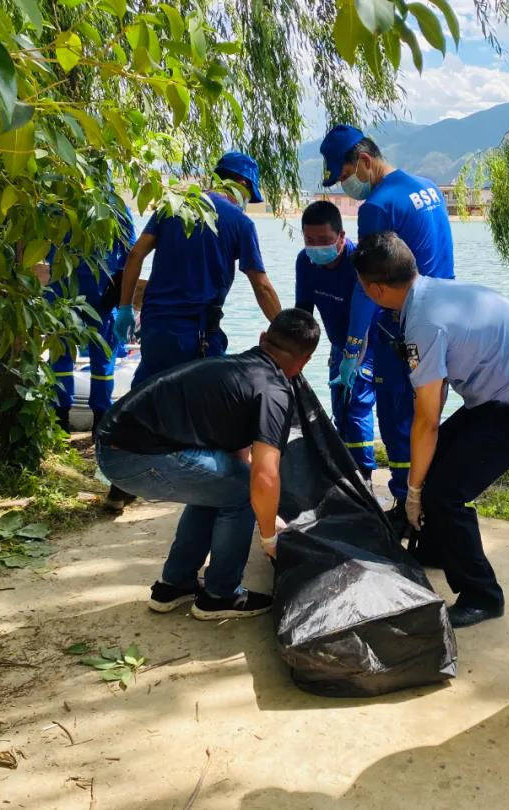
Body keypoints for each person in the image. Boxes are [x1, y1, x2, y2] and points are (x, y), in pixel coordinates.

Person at [352, 232, 509, 628]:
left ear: (375, 289)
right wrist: (418, 477)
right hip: (506, 390)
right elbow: (435, 402)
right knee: (436, 462)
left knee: (446, 493)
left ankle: (482, 594)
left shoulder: (423, 323)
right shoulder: (428, 293)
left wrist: (412, 492)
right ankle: (434, 550)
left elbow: (427, 418)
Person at [95, 309, 320, 619]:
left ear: (262, 339)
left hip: (115, 443)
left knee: (220, 486)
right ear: (304, 362)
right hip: (131, 457)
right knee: (242, 491)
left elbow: (238, 451)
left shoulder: (233, 368)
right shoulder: (275, 391)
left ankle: (174, 584)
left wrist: (270, 515)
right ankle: (220, 594)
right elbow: (264, 475)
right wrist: (270, 536)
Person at [318, 126, 454, 524]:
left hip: (403, 326)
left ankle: (407, 506)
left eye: (344, 176)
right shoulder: (427, 188)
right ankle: (427, 500)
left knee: (398, 418)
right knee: (428, 416)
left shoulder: (377, 207)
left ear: (364, 161)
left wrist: (354, 347)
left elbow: (370, 284)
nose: (347, 186)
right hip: (442, 316)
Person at [113, 151, 282, 387]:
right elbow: (261, 286)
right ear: (242, 184)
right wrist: (285, 333)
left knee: (146, 399)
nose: (247, 203)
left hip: (155, 328)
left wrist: (124, 308)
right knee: (201, 408)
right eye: (249, 195)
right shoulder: (241, 223)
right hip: (198, 335)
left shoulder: (172, 207)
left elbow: (135, 255)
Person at [294, 200, 376, 480]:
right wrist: (295, 354)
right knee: (340, 411)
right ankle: (345, 475)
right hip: (339, 344)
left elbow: (362, 316)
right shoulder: (305, 262)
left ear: (341, 237)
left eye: (324, 240)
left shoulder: (359, 262)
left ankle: (363, 476)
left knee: (356, 407)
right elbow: (303, 310)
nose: (316, 247)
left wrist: (354, 355)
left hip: (369, 342)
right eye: (310, 240)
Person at [47, 200, 135, 433]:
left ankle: (60, 421)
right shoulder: (115, 207)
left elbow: (40, 243)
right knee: (103, 360)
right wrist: (121, 292)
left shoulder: (58, 201)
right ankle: (100, 422)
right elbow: (130, 252)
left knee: (60, 357)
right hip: (101, 294)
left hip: (65, 291)